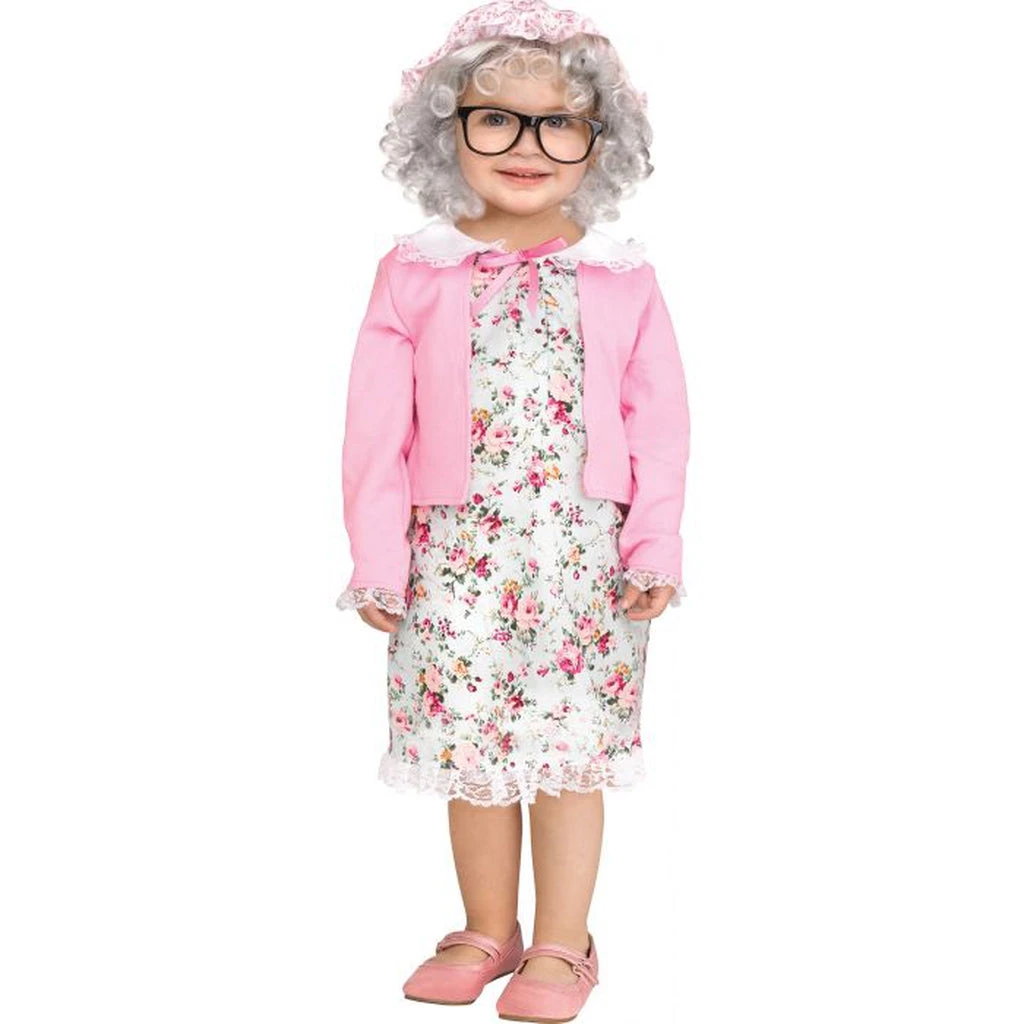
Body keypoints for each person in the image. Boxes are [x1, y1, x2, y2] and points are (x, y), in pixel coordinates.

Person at [335, 2, 691, 1019]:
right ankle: (487, 927)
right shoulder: (414, 272)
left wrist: (654, 545)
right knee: (468, 752)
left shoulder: (622, 279)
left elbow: (660, 422)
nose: (526, 145)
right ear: (446, 131)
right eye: (496, 118)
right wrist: (378, 560)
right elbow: (375, 430)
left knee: (569, 754)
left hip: (584, 559)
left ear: (599, 141)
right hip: (454, 557)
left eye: (559, 123)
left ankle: (565, 941)